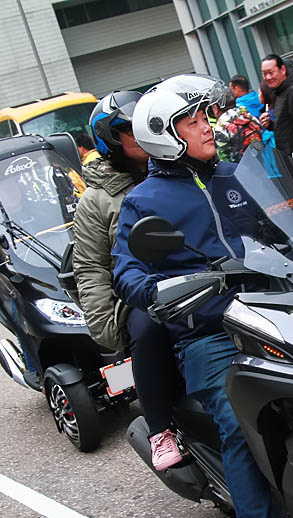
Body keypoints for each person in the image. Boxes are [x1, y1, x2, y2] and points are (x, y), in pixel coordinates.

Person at [111, 74, 293, 518]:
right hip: (208, 328)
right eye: (192, 122)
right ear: (165, 136)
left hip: (272, 309)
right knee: (241, 425)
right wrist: (155, 289)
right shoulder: (143, 200)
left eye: (204, 118)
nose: (206, 127)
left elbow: (280, 228)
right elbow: (125, 269)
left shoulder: (230, 176)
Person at [72, 91, 182, 472]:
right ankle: (161, 429)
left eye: (142, 126)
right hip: (139, 292)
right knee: (150, 331)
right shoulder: (96, 200)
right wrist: (105, 325)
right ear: (109, 141)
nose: (139, 136)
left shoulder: (175, 167)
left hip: (195, 272)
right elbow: (90, 267)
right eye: (127, 131)